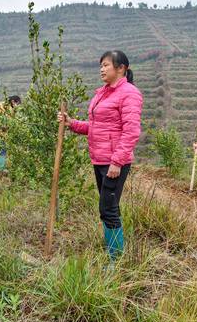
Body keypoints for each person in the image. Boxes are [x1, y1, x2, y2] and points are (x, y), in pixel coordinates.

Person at [58, 50, 142, 261]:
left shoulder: (129, 93)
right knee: (107, 207)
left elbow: (131, 131)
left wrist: (117, 161)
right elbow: (97, 126)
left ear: (121, 68)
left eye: (106, 65)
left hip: (114, 162)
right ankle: (111, 250)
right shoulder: (103, 93)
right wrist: (72, 124)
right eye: (101, 65)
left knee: (108, 208)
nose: (101, 69)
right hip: (100, 158)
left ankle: (116, 259)